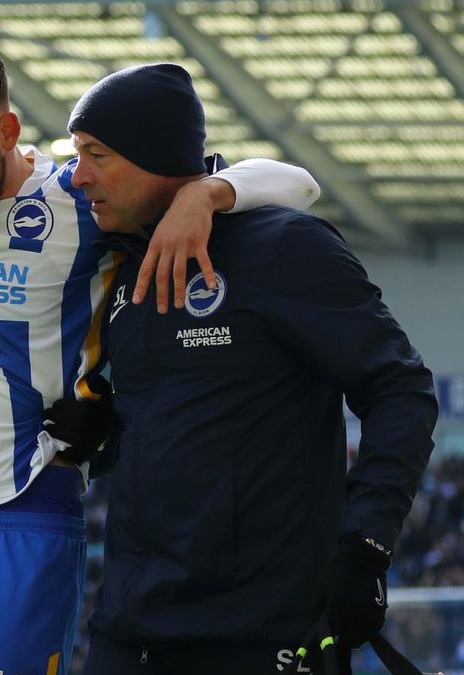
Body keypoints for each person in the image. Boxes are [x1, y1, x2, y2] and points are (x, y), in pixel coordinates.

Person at [0, 28, 323, 675]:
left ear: (5, 130)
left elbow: (297, 183)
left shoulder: (80, 203)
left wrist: (207, 192)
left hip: (19, 525)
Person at [62, 63, 439, 673]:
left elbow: (402, 388)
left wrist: (366, 546)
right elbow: (187, 425)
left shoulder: (285, 248)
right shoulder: (119, 266)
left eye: (95, 155)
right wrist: (103, 436)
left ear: (154, 154)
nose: (78, 176)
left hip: (262, 637)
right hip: (129, 635)